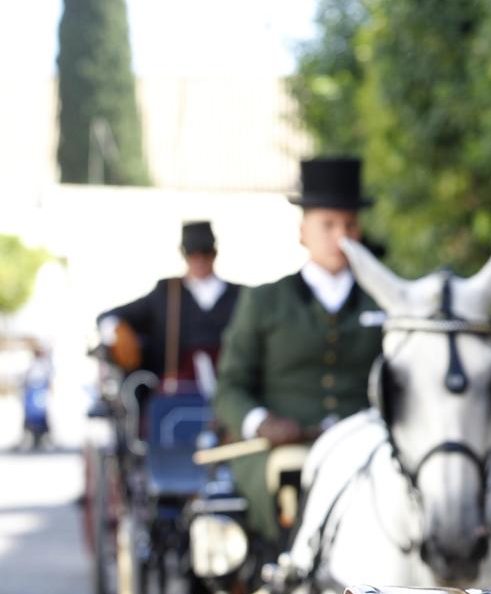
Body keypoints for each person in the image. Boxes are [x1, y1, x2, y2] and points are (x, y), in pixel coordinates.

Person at [212, 157, 384, 545]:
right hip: (281, 449)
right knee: (289, 484)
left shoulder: (382, 302)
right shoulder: (264, 301)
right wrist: (261, 422)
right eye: (329, 224)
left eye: (350, 225)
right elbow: (229, 387)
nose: (341, 237)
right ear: (303, 231)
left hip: (366, 445)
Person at [98, 220, 240, 393]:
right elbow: (113, 316)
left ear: (215, 252)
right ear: (183, 254)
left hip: (230, 387)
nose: (200, 260)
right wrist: (117, 333)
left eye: (205, 252)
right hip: (176, 389)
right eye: (192, 254)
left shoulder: (239, 295)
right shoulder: (166, 292)